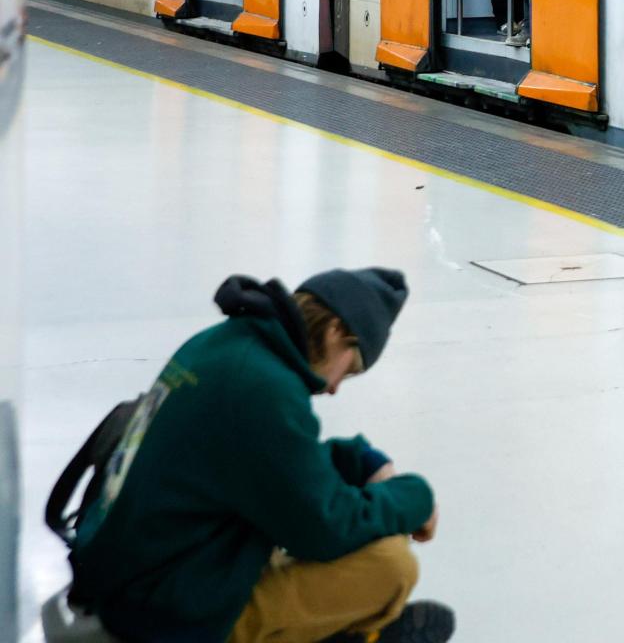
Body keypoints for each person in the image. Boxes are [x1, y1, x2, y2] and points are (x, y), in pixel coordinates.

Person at [66, 269, 453, 643]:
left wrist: (363, 459)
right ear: (337, 332)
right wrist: (416, 496)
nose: (334, 389)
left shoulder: (227, 345)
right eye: (348, 370)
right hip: (165, 614)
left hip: (135, 573)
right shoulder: (264, 389)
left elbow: (272, 466)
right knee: (390, 566)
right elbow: (324, 528)